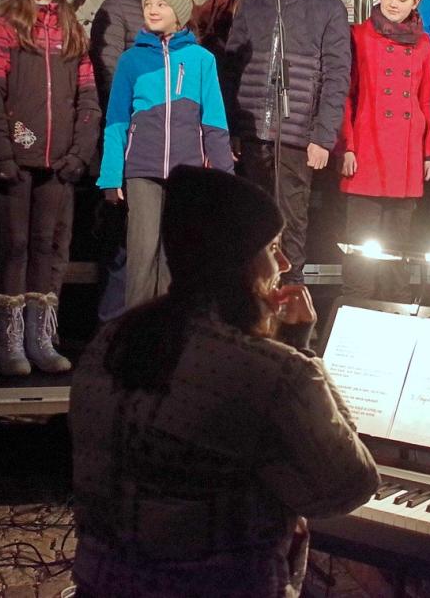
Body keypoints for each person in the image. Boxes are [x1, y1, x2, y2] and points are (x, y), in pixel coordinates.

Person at [70, 165, 379, 597]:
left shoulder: (112, 340)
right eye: (273, 249)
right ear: (239, 263)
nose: (285, 264)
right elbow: (349, 486)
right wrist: (299, 348)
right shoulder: (272, 371)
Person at [0, 0, 101, 375]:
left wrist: (80, 152)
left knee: (46, 247)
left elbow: (88, 99)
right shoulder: (6, 25)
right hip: (17, 155)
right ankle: (9, 341)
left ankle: (40, 337)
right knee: (16, 246)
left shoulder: (71, 29)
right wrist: (3, 150)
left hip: (58, 161)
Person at [224, 0, 351, 287]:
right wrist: (233, 127)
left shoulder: (327, 8)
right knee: (252, 225)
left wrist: (323, 136)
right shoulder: (252, 6)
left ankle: (290, 304)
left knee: (290, 227)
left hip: (296, 137)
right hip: (252, 134)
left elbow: (336, 76)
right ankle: (253, 304)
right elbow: (232, 68)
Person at [97, 0, 231, 309]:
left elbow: (215, 121)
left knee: (176, 256)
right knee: (141, 254)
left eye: (162, 3)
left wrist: (224, 177)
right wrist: (111, 175)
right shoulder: (131, 61)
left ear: (180, 11)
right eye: (149, 4)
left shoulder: (202, 60)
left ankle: (170, 330)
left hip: (187, 173)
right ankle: (136, 330)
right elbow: (116, 120)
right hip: (142, 170)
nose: (153, 9)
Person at [339, 0, 430, 302]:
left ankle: (396, 311)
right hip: (367, 149)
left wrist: (429, 151)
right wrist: (348, 145)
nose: (394, 4)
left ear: (416, 2)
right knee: (361, 247)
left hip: (406, 154)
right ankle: (355, 310)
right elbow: (347, 95)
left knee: (398, 248)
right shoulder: (359, 35)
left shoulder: (423, 43)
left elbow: (426, 99)